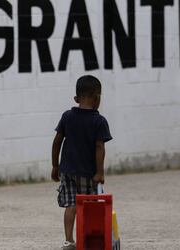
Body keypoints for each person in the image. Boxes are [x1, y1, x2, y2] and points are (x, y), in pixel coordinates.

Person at [51, 75, 113, 250]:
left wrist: (55, 165)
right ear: (96, 98)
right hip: (87, 172)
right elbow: (100, 147)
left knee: (71, 204)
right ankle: (87, 238)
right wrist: (100, 172)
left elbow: (57, 141)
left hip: (67, 170)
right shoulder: (99, 121)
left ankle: (69, 240)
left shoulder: (67, 116)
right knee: (88, 205)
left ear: (76, 98)